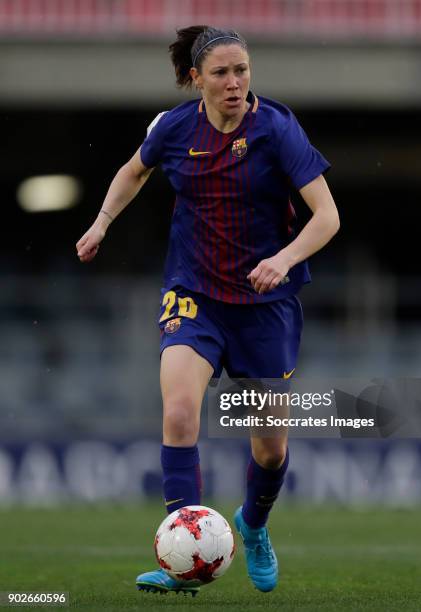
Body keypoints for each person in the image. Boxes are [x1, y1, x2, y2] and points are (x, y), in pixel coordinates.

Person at [76, 25, 340, 596]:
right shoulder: (174, 128)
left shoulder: (277, 127)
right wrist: (101, 224)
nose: (235, 82)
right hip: (193, 295)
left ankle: (253, 527)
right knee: (177, 414)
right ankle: (182, 560)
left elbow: (327, 216)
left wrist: (285, 258)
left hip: (265, 304)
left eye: (242, 70)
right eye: (221, 73)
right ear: (196, 79)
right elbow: (132, 171)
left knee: (270, 447)